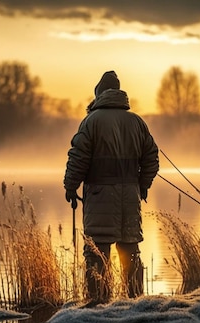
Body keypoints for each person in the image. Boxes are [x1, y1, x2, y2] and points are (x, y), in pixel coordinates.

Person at [64, 70, 159, 306]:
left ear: (99, 94)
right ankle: (136, 302)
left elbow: (78, 157)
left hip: (99, 197)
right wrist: (142, 186)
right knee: (130, 251)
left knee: (96, 252)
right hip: (130, 198)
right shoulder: (137, 122)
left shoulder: (91, 121)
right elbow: (152, 158)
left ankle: (98, 303)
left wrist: (70, 186)